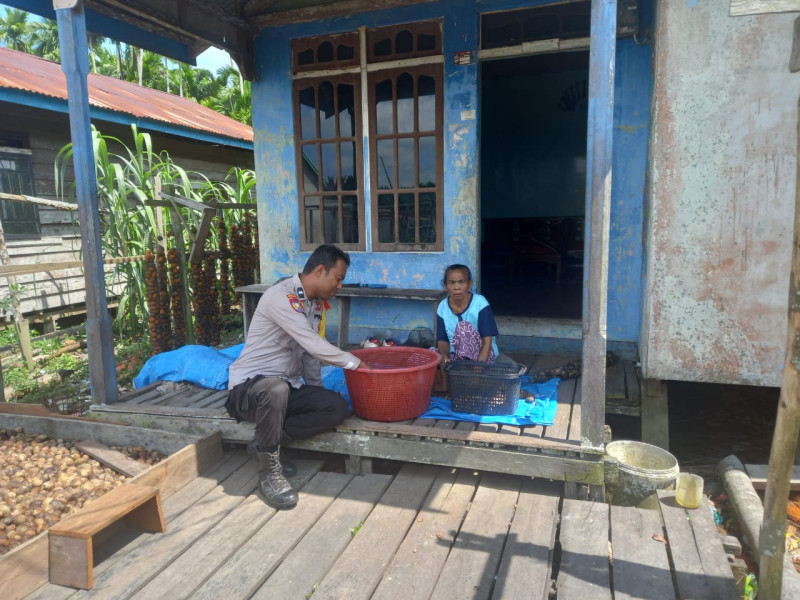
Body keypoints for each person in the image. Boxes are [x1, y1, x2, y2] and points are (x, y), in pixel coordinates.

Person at [226, 244, 371, 510]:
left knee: (335, 405)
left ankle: (264, 444)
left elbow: (309, 355)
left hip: (285, 389)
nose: (339, 286)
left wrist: (317, 395)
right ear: (319, 270)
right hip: (248, 391)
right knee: (276, 389)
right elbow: (314, 345)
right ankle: (269, 474)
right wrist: (356, 363)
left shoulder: (314, 306)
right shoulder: (281, 297)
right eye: (338, 278)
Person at [433, 264, 501, 391]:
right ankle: (444, 387)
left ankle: (473, 377)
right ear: (445, 286)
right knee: (431, 354)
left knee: (463, 328)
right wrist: (444, 359)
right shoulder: (442, 306)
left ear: (470, 284)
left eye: (461, 282)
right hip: (457, 356)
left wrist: (479, 367)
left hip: (482, 356)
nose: (457, 287)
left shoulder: (480, 303)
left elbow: (487, 340)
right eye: (452, 283)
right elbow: (442, 339)